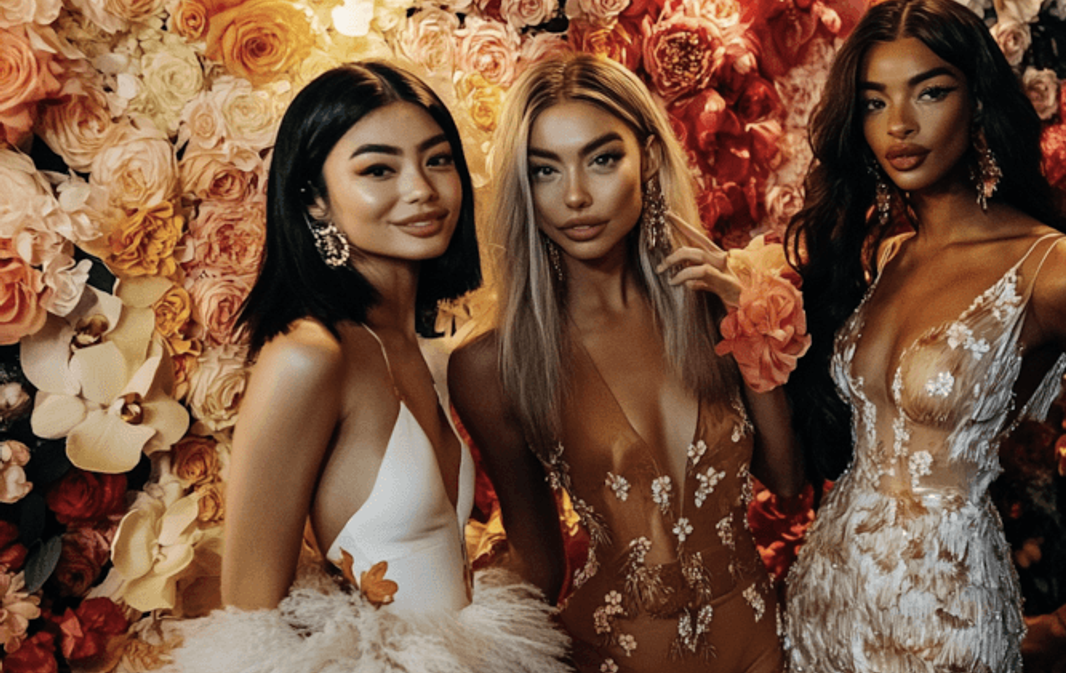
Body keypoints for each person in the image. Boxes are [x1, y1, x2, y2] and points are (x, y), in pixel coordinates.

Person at [782, 0, 1066, 673]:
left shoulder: (1058, 273)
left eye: (930, 92)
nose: (900, 124)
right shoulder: (883, 258)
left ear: (977, 102)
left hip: (947, 620)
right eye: (875, 101)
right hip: (826, 600)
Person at [165, 62, 570, 673]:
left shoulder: (429, 352)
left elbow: (530, 564)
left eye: (438, 160)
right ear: (314, 198)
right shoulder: (307, 356)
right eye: (379, 169)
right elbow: (249, 626)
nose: (422, 189)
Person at [449, 53, 805, 673]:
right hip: (609, 655)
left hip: (757, 648)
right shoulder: (493, 364)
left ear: (650, 159)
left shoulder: (717, 302)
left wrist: (746, 317)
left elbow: (788, 477)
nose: (575, 195)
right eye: (544, 170)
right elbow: (540, 564)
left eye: (602, 159)